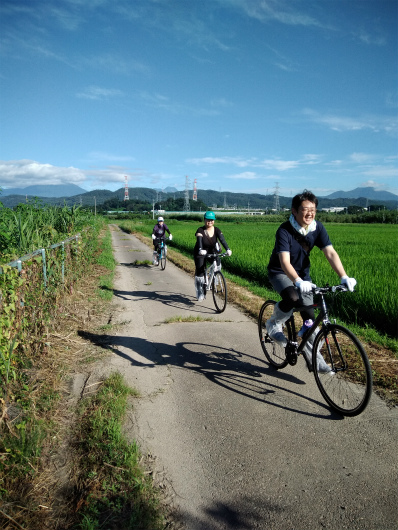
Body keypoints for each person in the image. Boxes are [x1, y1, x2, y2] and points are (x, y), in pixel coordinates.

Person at [266, 189, 357, 373]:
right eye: (305, 209)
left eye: (313, 209)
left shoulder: (317, 228)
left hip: (303, 276)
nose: (310, 213)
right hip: (280, 272)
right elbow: (284, 262)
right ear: (294, 211)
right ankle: (274, 323)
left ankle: (314, 360)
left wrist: (344, 276)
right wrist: (297, 281)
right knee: (292, 298)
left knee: (310, 320)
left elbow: (330, 252)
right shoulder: (284, 230)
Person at [194, 211, 232, 301]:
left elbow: (222, 240)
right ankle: (199, 291)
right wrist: (200, 249)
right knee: (200, 271)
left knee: (218, 263)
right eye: (208, 220)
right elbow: (199, 240)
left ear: (214, 221)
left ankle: (214, 277)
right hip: (201, 252)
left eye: (212, 220)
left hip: (212, 251)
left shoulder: (217, 230)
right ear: (204, 220)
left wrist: (228, 249)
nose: (210, 222)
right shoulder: (200, 230)